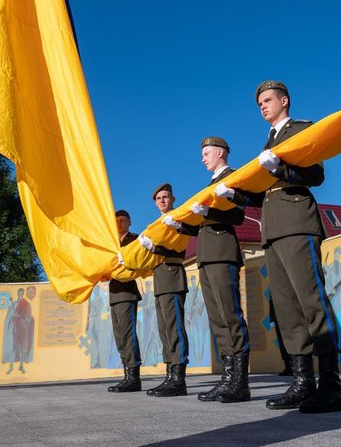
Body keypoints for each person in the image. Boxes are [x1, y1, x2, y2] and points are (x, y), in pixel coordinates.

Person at [216, 81, 341, 414]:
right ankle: (303, 381)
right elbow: (265, 193)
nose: (262, 105)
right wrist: (238, 196)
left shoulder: (300, 129)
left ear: (284, 100)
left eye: (267, 100)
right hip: (272, 230)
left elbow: (315, 174)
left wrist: (281, 168)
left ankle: (331, 385)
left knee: (311, 301)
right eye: (259, 102)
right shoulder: (268, 142)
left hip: (297, 222)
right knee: (287, 310)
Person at [163, 137, 250, 403]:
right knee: (217, 318)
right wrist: (182, 227)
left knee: (229, 315)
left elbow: (238, 215)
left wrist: (207, 212)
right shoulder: (210, 185)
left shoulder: (232, 177)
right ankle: (228, 376)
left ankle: (239, 382)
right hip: (207, 256)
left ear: (220, 152)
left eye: (206, 153)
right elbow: (203, 224)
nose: (202, 158)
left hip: (223, 253)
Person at [138, 183, 190, 397]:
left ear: (173, 199)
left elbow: (178, 246)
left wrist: (154, 249)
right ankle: (170, 375)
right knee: (164, 329)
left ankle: (178, 378)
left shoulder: (177, 219)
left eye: (165, 197)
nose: (162, 200)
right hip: (160, 278)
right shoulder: (155, 225)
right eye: (158, 198)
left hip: (172, 274)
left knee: (174, 327)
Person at [107, 209, 143, 393]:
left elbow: (136, 261)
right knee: (119, 335)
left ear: (129, 222)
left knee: (128, 335)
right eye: (116, 221)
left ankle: (133, 376)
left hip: (127, 292)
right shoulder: (110, 242)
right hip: (114, 292)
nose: (119, 223)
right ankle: (126, 373)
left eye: (122, 220)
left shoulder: (134, 239)